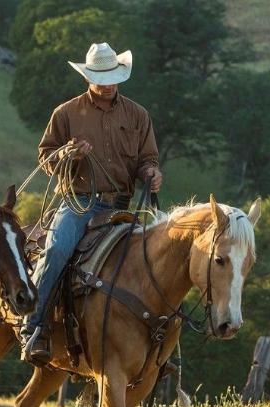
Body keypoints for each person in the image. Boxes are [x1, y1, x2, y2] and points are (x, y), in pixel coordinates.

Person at [20, 42, 163, 364]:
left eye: (112, 75)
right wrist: (67, 156)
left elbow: (147, 158)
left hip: (122, 206)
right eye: (101, 75)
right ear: (88, 76)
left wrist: (152, 172)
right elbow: (46, 158)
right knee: (57, 250)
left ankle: (161, 345)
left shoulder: (138, 115)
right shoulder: (66, 113)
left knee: (161, 258)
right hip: (79, 201)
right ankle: (35, 326)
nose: (108, 82)